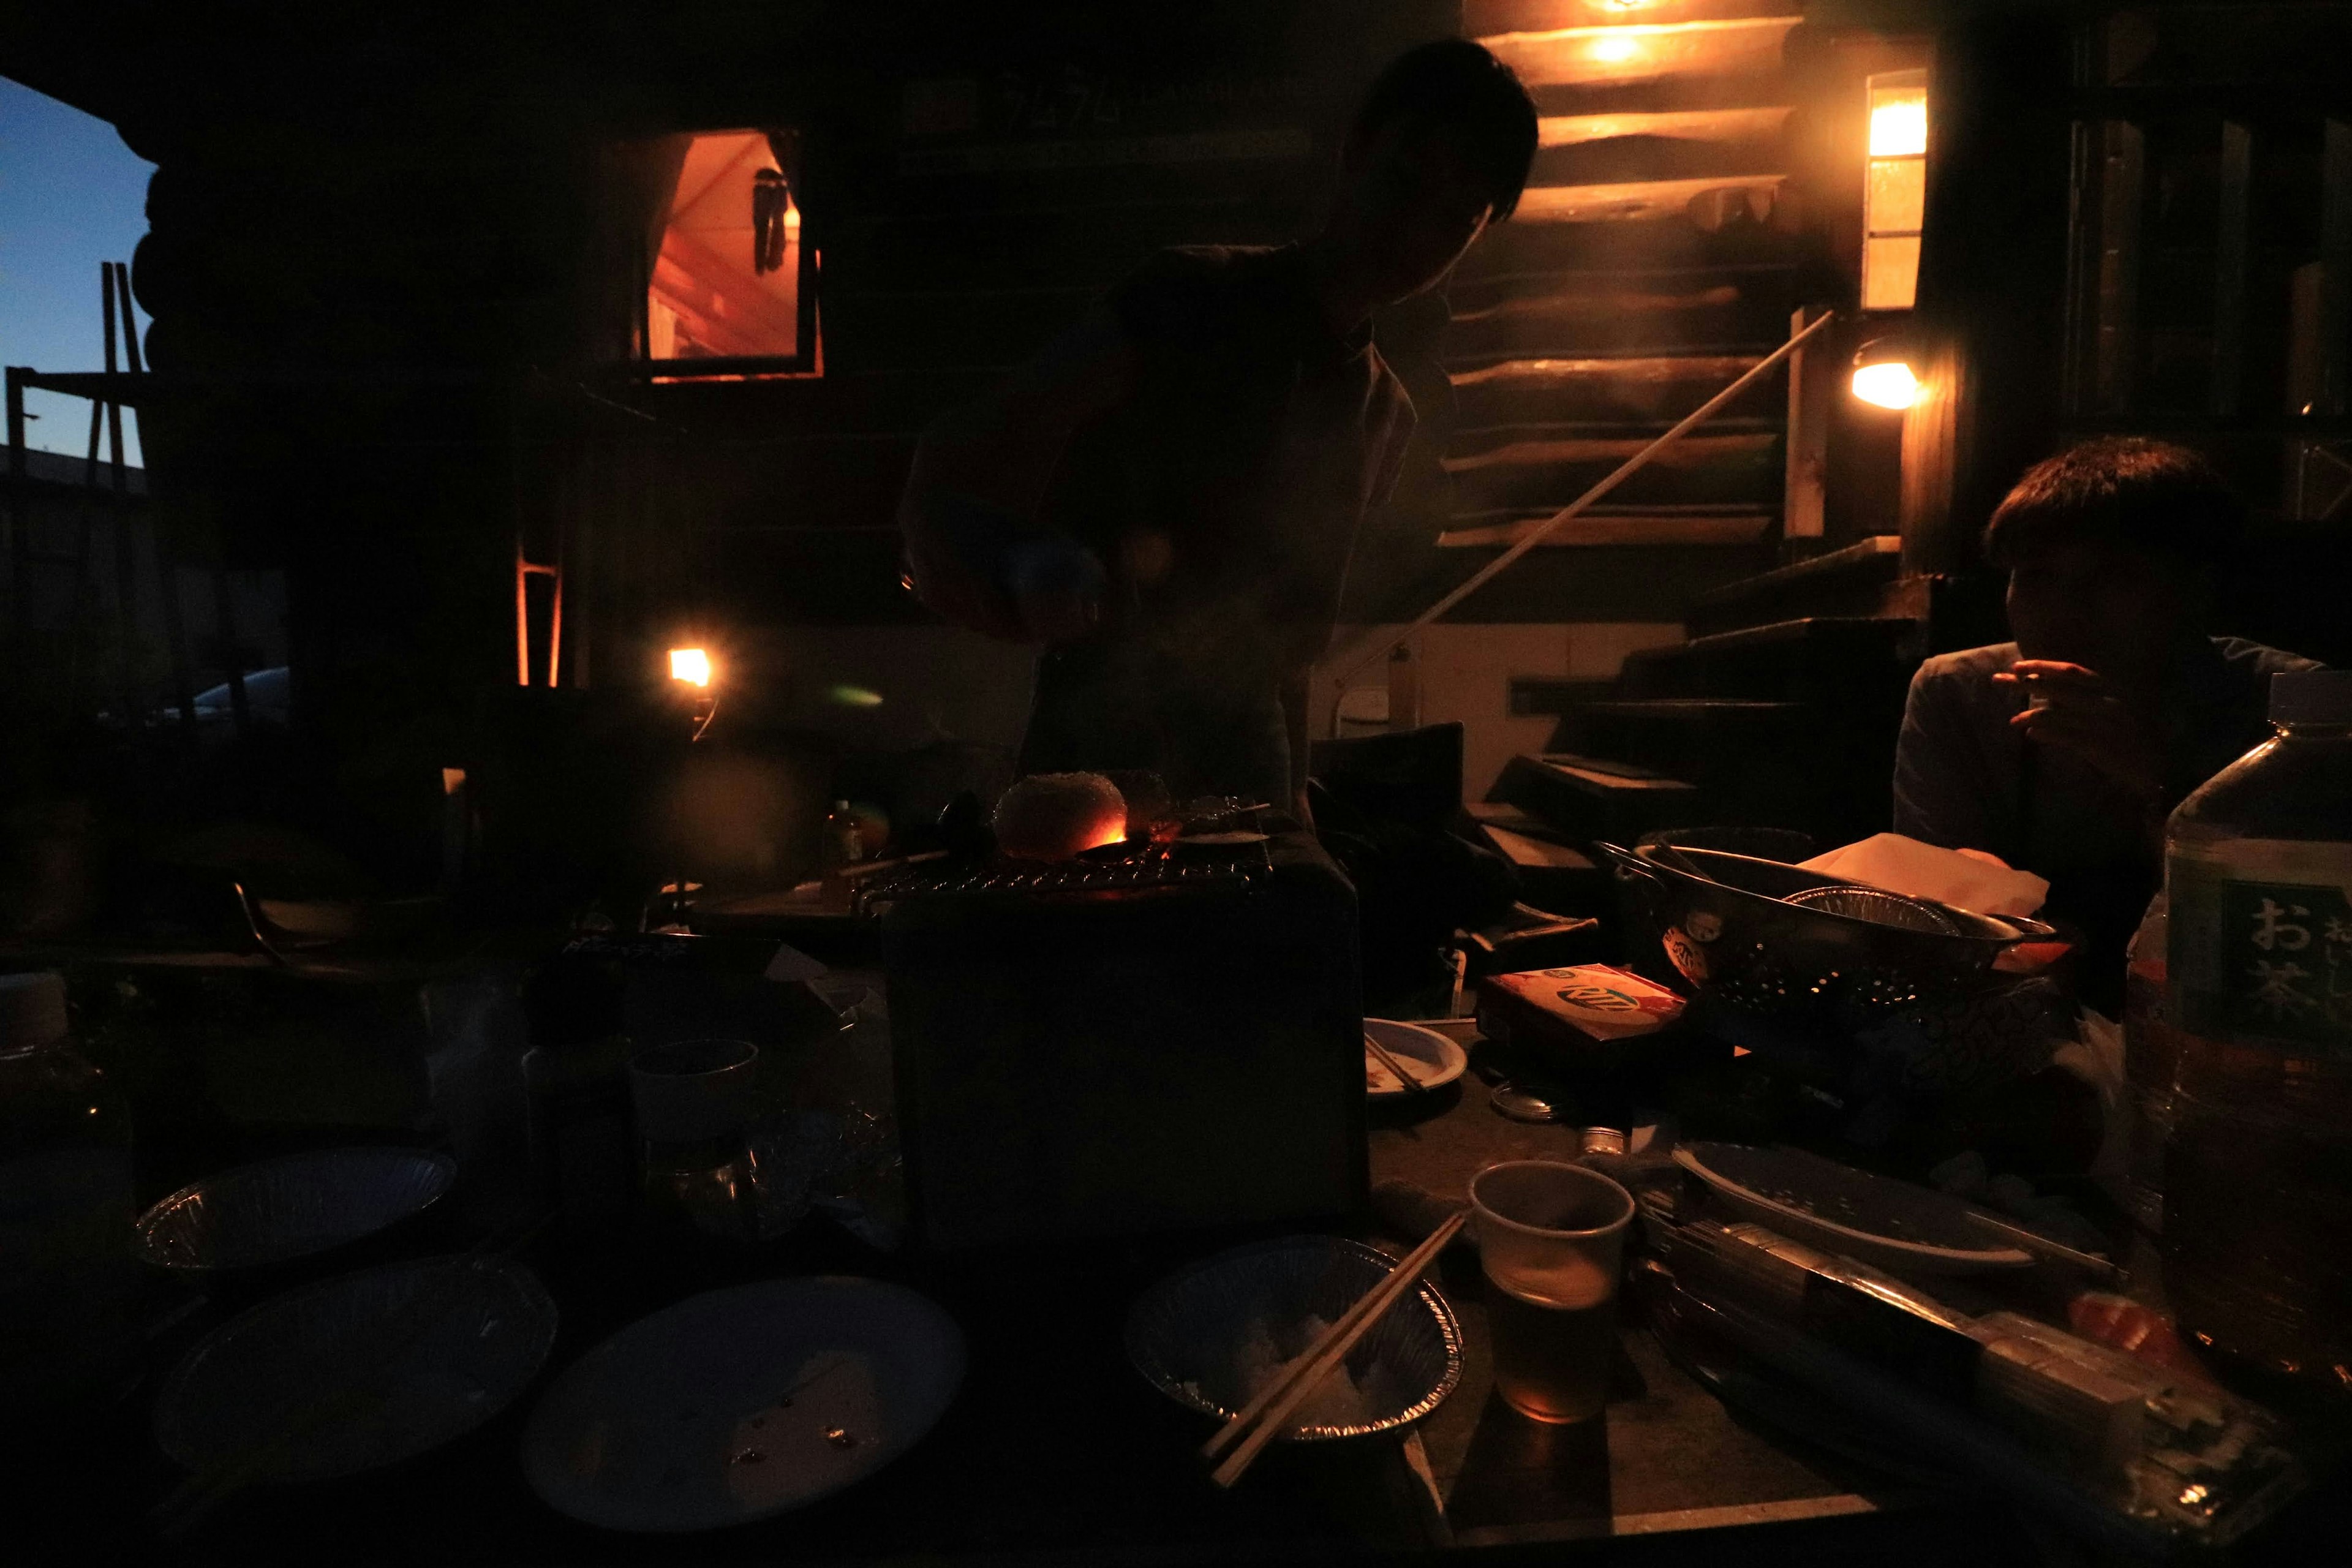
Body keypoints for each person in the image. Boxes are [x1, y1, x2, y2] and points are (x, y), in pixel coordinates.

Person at [897, 40, 1537, 815]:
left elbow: (1290, 652)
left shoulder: (1383, 413)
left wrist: (1295, 803)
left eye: (1453, 219)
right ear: (1358, 148)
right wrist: (1001, 558)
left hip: (1248, 761)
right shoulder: (1192, 296)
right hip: (1100, 741)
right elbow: (971, 443)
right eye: (1405, 179)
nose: (1413, 230)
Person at [1892, 437, 2321, 998]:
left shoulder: (2295, 706)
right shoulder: (1962, 691)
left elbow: (2292, 926)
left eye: (2113, 576)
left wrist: (2158, 781)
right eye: (2037, 577)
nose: (2065, 608)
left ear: (2194, 588)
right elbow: (1936, 896)